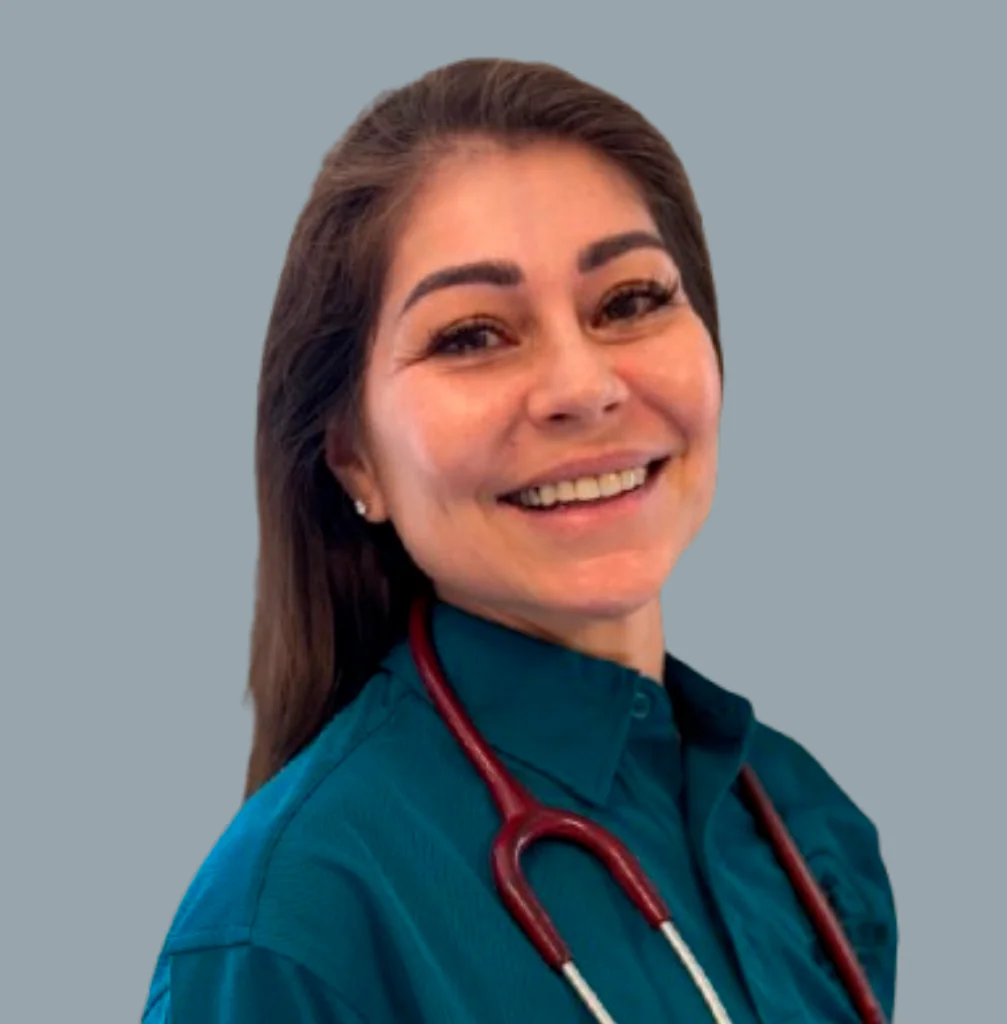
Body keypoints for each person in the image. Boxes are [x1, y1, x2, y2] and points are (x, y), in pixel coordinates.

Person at [140, 57, 899, 1023]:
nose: (583, 388)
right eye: (471, 335)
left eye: (629, 302)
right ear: (353, 460)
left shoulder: (807, 829)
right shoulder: (294, 924)